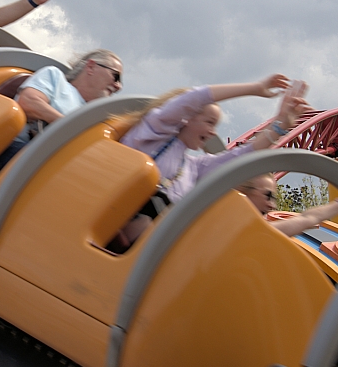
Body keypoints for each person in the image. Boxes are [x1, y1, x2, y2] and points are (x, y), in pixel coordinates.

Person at [111, 78, 311, 248]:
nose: (214, 132)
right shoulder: (153, 134)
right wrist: (255, 88)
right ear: (186, 117)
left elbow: (242, 156)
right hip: (117, 231)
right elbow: (193, 98)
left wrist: (281, 125)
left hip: (154, 252)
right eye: (209, 122)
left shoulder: (193, 168)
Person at [0, 50, 123, 177]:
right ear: (91, 67)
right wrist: (71, 128)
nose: (118, 86)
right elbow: (29, 102)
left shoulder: (96, 119)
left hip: (58, 165)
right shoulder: (55, 77)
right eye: (115, 76)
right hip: (20, 150)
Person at [236, 174, 338, 237]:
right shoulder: (251, 233)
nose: (273, 205)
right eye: (268, 195)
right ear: (242, 191)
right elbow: (306, 219)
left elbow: (306, 218)